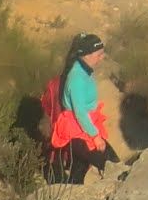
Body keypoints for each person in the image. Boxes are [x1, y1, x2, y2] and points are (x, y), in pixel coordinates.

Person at [41, 32, 113, 184]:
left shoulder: (84, 71)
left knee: (78, 171)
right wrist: (95, 136)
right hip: (78, 130)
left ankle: (69, 196)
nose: (102, 57)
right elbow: (80, 112)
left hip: (85, 126)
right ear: (86, 55)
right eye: (98, 54)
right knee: (111, 164)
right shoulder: (77, 78)